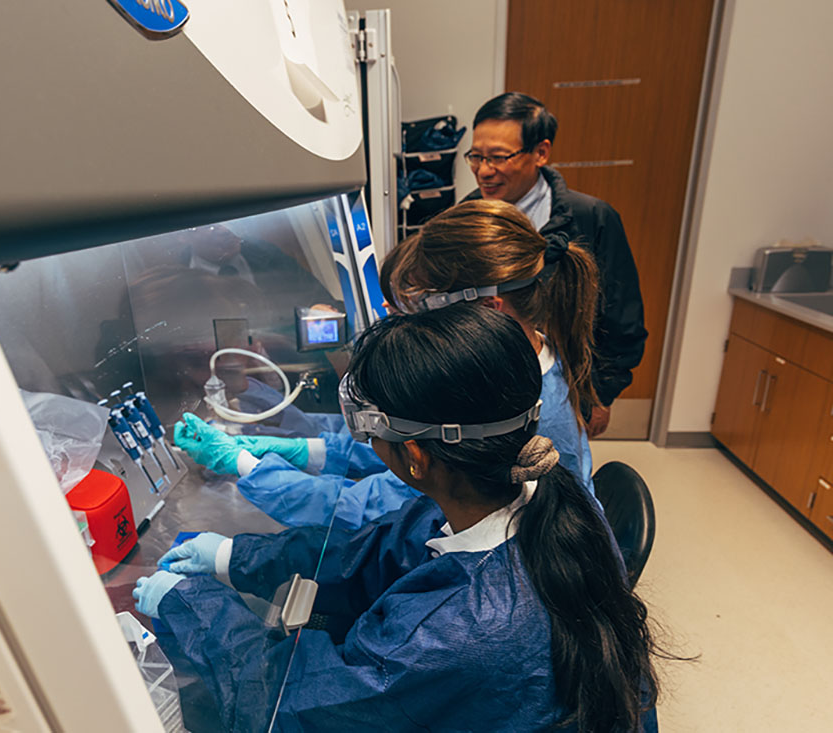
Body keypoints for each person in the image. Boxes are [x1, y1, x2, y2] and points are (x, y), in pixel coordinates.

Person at [134, 304, 660, 731]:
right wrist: (233, 557)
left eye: (369, 432)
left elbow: (292, 707)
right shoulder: (543, 492)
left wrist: (189, 606)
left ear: (415, 457)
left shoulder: (451, 635)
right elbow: (372, 548)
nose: (365, 444)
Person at [175, 200, 599, 530]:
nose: (408, 326)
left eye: (423, 308)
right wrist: (302, 450)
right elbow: (403, 445)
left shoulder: (520, 415)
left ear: (489, 309)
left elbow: (370, 506)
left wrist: (245, 467)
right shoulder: (492, 375)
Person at [462, 92, 646, 437]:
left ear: (541, 152)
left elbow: (623, 321)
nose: (484, 171)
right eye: (476, 156)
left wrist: (599, 396)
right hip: (484, 393)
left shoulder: (591, 218)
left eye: (499, 157)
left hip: (563, 396)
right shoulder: (466, 218)